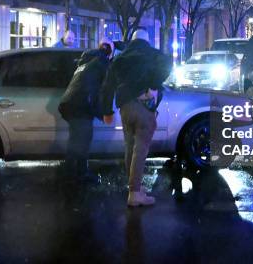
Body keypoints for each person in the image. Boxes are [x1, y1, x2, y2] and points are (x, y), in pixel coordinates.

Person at [100, 29, 172, 207]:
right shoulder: (153, 54)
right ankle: (134, 193)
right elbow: (167, 64)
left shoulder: (120, 58)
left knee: (130, 147)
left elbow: (108, 86)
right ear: (147, 40)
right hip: (143, 107)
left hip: (124, 106)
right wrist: (153, 85)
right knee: (141, 149)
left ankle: (134, 187)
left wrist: (107, 111)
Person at [58, 39, 115, 182]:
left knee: (80, 138)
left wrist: (99, 114)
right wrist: (105, 114)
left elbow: (89, 88)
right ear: (109, 53)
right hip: (80, 105)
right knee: (80, 140)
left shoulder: (85, 61)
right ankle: (72, 174)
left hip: (70, 103)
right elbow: (106, 90)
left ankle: (78, 171)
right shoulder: (102, 62)